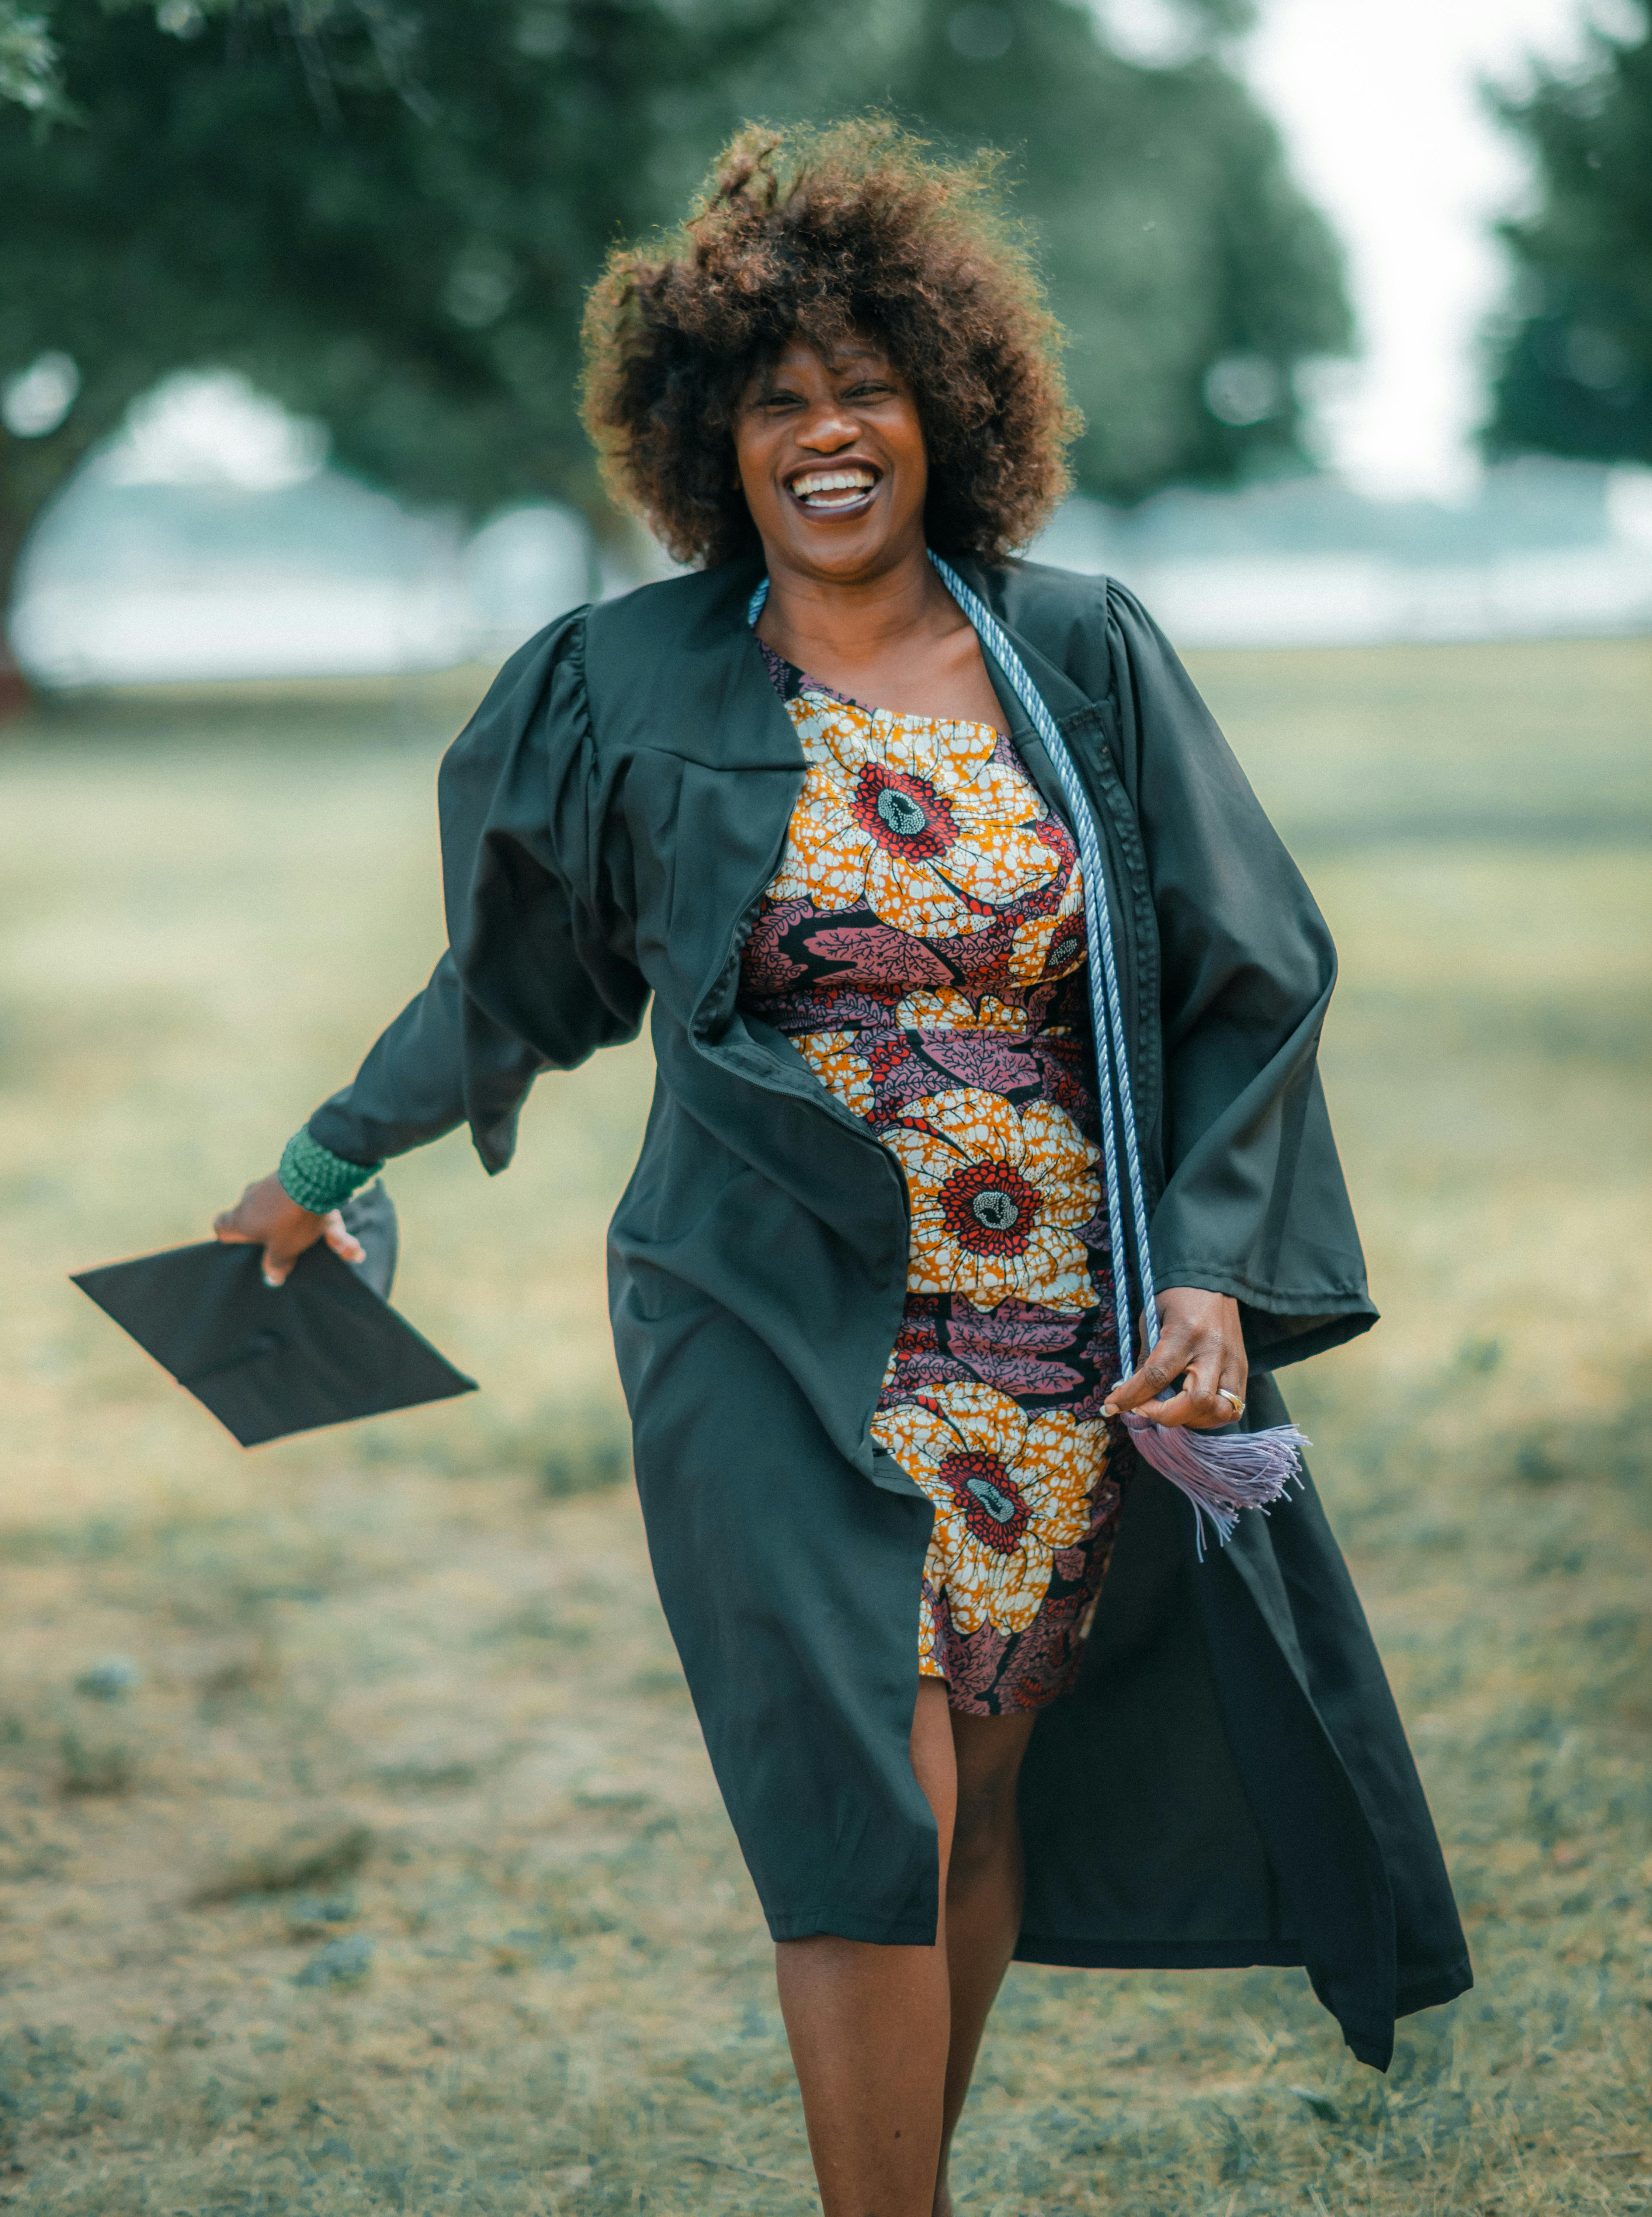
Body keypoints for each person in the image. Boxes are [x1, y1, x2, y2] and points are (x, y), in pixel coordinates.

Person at [217, 119, 1470, 2217]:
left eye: (867, 391)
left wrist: (1217, 1272)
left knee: (973, 1790)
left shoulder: (1082, 661)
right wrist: (322, 1154)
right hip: (761, 1308)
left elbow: (1253, 974)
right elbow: (515, 977)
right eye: (777, 401)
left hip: (1046, 1315)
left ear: (945, 412)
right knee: (859, 1785)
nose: (826, 436)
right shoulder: (627, 681)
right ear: (708, 438)